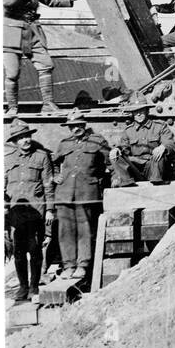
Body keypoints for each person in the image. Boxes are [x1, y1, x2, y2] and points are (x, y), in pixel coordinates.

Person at [3, 0, 84, 114]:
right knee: (12, 73)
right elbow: (9, 1)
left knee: (46, 65)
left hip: (33, 31)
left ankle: (48, 104)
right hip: (11, 32)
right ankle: (12, 108)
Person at [53, 109, 110, 285]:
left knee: (85, 230)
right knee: (65, 231)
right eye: (72, 126)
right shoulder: (64, 144)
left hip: (86, 192)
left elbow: (109, 163)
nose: (75, 128)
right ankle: (68, 265)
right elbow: (54, 164)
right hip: (64, 193)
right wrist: (56, 176)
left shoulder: (97, 141)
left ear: (84, 125)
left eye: (78, 125)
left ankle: (83, 264)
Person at [4, 119, 55, 301]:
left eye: (27, 136)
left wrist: (50, 210)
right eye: (21, 137)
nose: (25, 140)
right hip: (16, 213)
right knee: (18, 251)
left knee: (34, 250)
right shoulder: (8, 159)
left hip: (36, 211)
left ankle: (34, 286)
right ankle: (22, 286)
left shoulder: (41, 157)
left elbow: (48, 185)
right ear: (15, 141)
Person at [110, 95, 175, 187]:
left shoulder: (159, 126)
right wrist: (117, 149)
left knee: (158, 154)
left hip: (154, 166)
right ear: (132, 113)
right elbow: (124, 148)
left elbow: (170, 143)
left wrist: (163, 147)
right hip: (135, 168)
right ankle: (127, 183)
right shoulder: (128, 131)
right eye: (136, 111)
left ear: (147, 111)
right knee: (114, 155)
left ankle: (157, 182)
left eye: (141, 110)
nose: (139, 114)